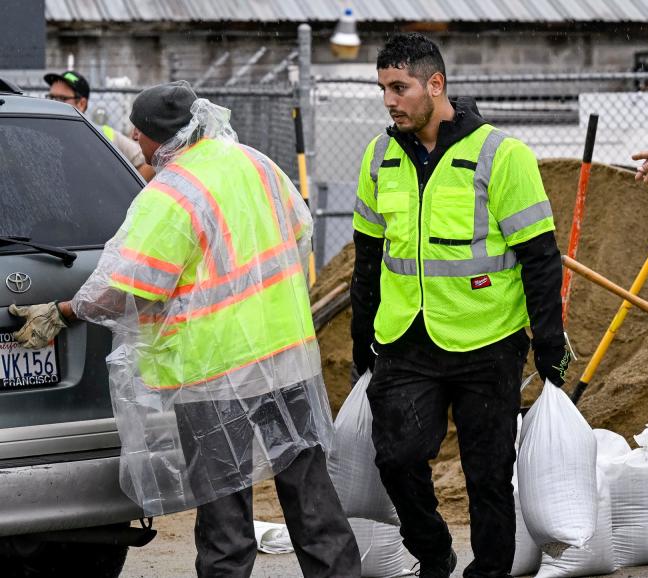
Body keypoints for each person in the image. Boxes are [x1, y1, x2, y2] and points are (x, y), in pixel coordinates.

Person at [10, 81, 360, 577]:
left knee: (224, 513)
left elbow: (127, 284)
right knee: (310, 493)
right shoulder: (255, 163)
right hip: (285, 357)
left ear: (158, 137)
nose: (136, 138)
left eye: (140, 131)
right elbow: (300, 232)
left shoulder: (173, 194)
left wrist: (64, 312)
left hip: (213, 372)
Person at [350, 33, 567, 578]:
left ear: (436, 84)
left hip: (489, 341)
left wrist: (548, 339)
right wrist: (360, 333)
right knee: (396, 458)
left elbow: (540, 256)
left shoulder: (502, 155)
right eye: (383, 89)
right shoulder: (379, 158)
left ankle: (489, 571)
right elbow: (368, 256)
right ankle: (434, 552)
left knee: (488, 474)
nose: (389, 101)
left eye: (399, 87)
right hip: (405, 337)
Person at [45, 70, 155, 181]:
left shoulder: (103, 135)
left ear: (81, 104)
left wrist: (127, 195)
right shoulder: (37, 130)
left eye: (60, 99)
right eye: (51, 97)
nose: (52, 103)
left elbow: (149, 165)